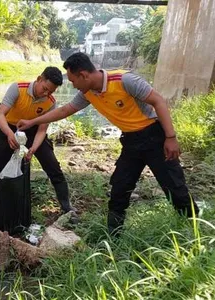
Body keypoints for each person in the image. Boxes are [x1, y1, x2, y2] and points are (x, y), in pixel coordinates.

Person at [17, 53, 199, 236]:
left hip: (154, 137)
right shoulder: (87, 93)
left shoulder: (125, 80)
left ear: (84, 75)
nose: (73, 85)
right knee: (120, 188)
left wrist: (170, 137)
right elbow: (66, 110)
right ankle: (114, 235)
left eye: (73, 80)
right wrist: (33, 122)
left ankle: (195, 229)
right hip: (131, 142)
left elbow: (158, 101)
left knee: (174, 186)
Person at [0, 66, 74, 213]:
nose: (46, 93)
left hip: (33, 129)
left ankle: (67, 207)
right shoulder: (18, 88)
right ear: (39, 79)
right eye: (45, 88)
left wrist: (33, 148)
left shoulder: (50, 102)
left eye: (51, 91)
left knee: (53, 166)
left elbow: (42, 130)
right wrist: (10, 134)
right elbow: (0, 115)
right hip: (9, 127)